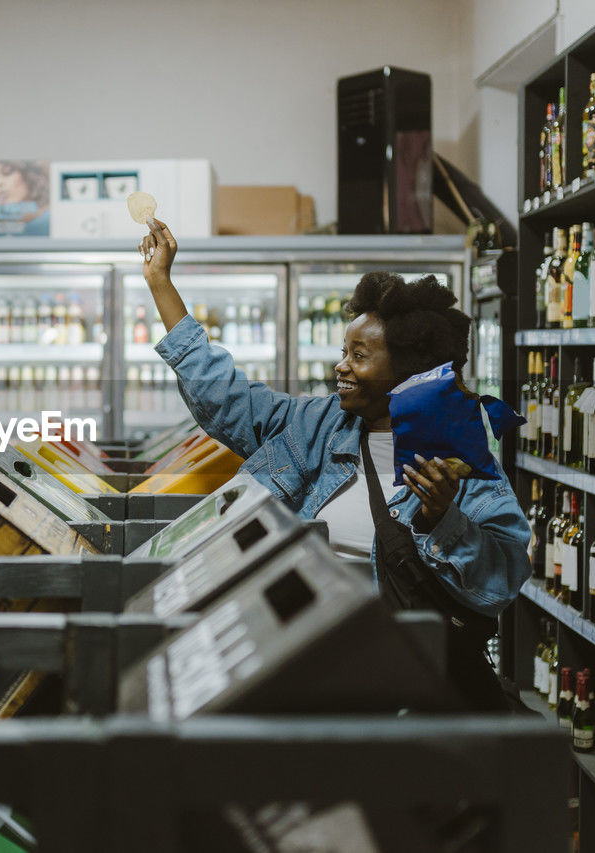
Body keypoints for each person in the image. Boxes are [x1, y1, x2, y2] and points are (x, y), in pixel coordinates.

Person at [140, 219, 530, 708]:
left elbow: (503, 582)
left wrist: (444, 521)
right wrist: (161, 283)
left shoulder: (463, 464)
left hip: (406, 693)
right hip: (299, 663)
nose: (340, 366)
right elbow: (223, 395)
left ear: (408, 372)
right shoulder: (315, 425)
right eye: (344, 350)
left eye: (360, 354)